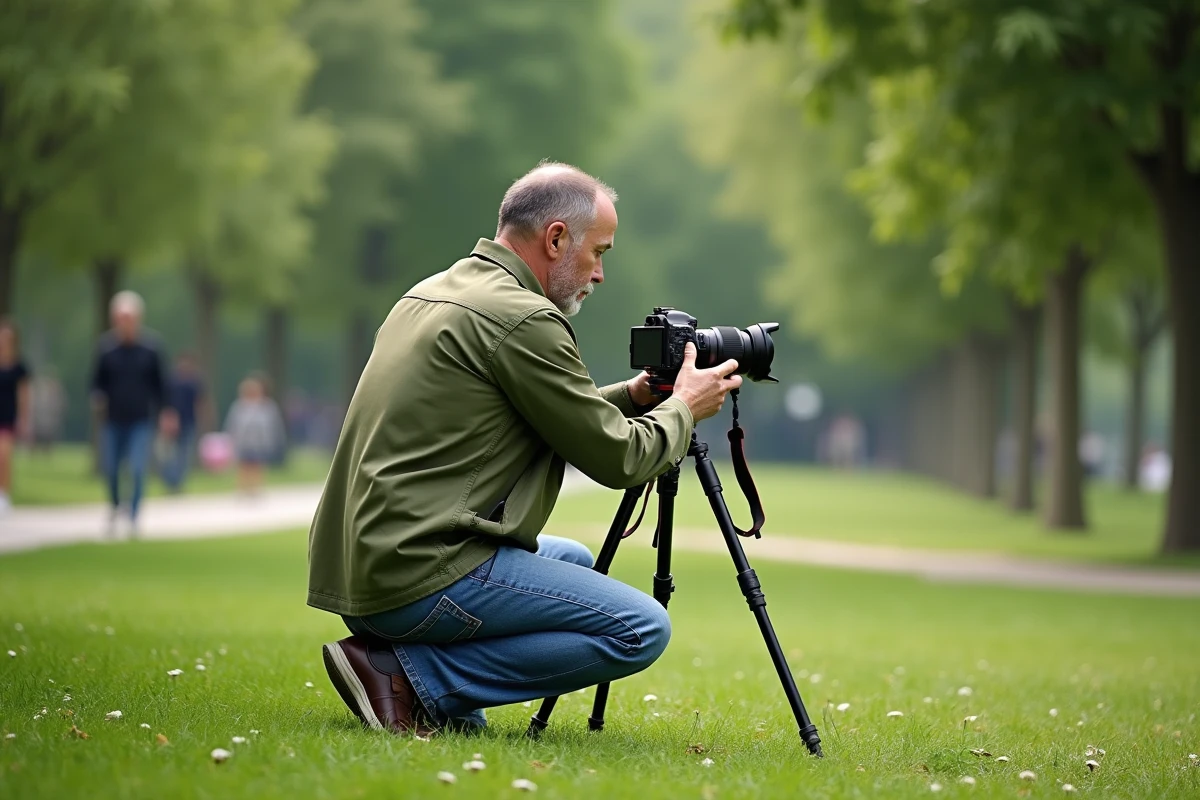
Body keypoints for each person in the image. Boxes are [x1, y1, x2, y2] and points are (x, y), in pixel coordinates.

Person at [309, 161, 742, 736]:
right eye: (599, 252)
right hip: (414, 578)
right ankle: (411, 678)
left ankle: (441, 699)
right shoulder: (524, 318)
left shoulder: (431, 292)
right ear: (557, 238)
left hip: (360, 569)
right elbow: (618, 460)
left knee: (572, 560)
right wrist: (684, 408)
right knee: (641, 628)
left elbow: (549, 413)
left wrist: (640, 396)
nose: (601, 273)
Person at [91, 291, 174, 538]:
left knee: (138, 469)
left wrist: (167, 413)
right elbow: (97, 382)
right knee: (113, 469)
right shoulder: (106, 349)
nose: (125, 322)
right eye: (120, 317)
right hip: (113, 418)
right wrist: (97, 397)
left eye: (129, 317)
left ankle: (134, 515)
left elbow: (161, 385)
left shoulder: (151, 349)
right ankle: (116, 506)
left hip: (141, 418)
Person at [223, 373, 285, 496]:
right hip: (243, 441)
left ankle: (256, 488)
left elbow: (272, 425)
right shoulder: (239, 406)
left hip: (259, 441)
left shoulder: (267, 406)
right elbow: (233, 424)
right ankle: (243, 488)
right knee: (244, 464)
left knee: (257, 464)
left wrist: (272, 440)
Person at [160, 352, 206, 493]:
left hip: (188, 422)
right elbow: (163, 401)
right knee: (168, 455)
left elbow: (201, 402)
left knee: (184, 455)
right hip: (171, 424)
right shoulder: (170, 381)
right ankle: (170, 481)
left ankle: (178, 483)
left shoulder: (195, 382)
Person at [0, 319, 31, 514]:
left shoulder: (19, 366)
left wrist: (24, 418)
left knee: (3, 456)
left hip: (8, 416)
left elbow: (24, 395)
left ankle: (4, 495)